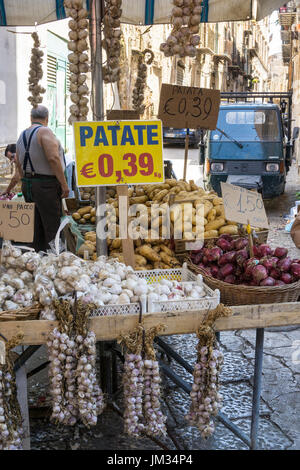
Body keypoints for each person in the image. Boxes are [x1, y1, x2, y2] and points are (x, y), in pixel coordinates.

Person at [16, 105, 69, 252]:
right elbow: (53, 158)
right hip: (46, 186)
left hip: (29, 185)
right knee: (52, 225)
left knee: (36, 225)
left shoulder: (22, 135)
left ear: (31, 118)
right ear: (47, 118)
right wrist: (64, 185)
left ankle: (39, 256)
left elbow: (18, 162)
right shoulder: (44, 131)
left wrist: (25, 182)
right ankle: (55, 258)